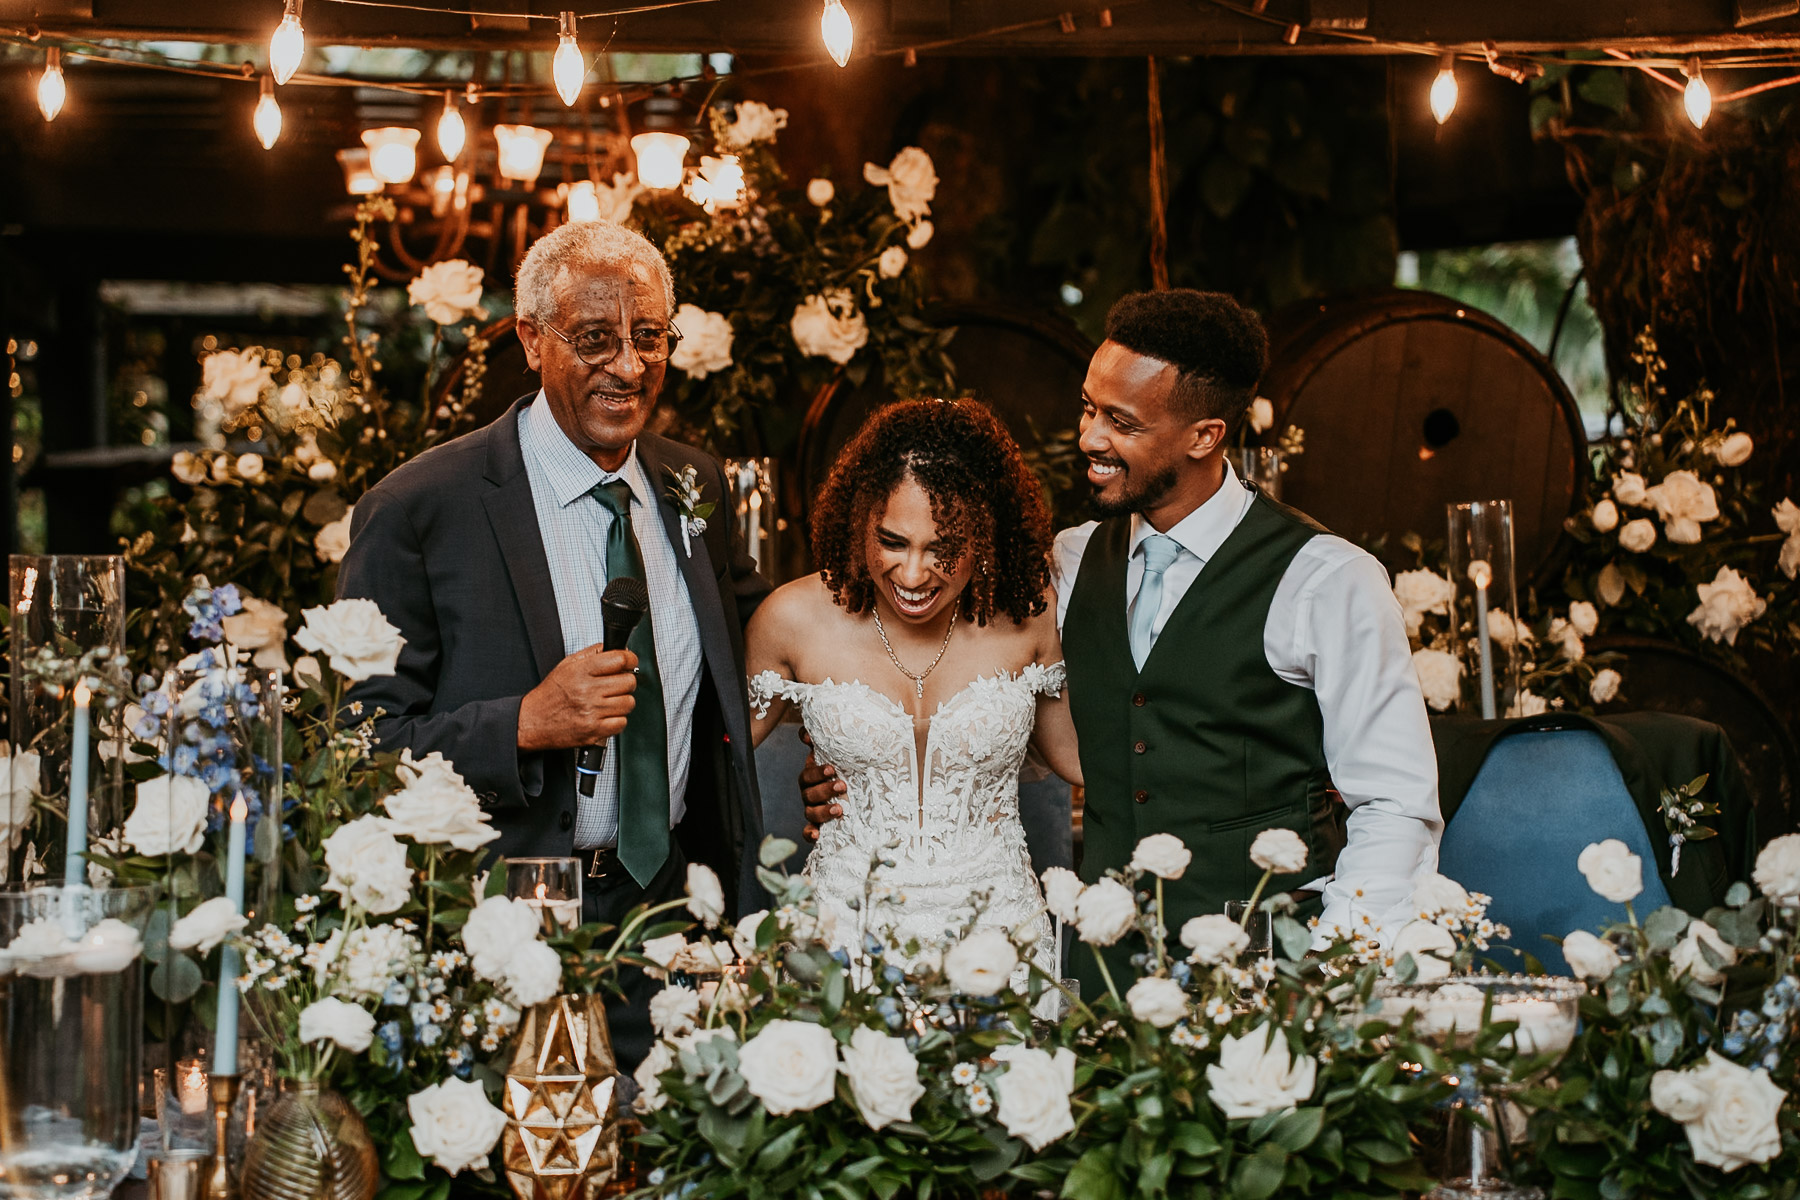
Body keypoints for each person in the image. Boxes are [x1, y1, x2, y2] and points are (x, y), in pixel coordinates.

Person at [805, 289, 1441, 962]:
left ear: (1205, 436)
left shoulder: (1328, 581)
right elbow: (987, 712)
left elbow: (1396, 805)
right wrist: (861, 769)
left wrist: (1338, 959)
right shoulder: (1068, 563)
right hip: (1104, 974)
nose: (1089, 438)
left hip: (1269, 969)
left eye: (1122, 422)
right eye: (1088, 407)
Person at [337, 220, 770, 1070]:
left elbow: (762, 643)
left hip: (673, 917)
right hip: (505, 928)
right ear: (531, 340)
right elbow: (355, 753)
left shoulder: (695, 486)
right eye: (596, 338)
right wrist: (524, 723)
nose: (631, 365)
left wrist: (834, 729)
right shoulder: (420, 511)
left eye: (650, 337)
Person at [746, 398, 1080, 980]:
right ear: (860, 523)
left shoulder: (1032, 616)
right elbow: (706, 762)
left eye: (943, 548)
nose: (913, 574)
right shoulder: (790, 619)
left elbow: (1085, 760)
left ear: (987, 535)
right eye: (893, 541)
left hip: (1000, 935)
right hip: (844, 932)